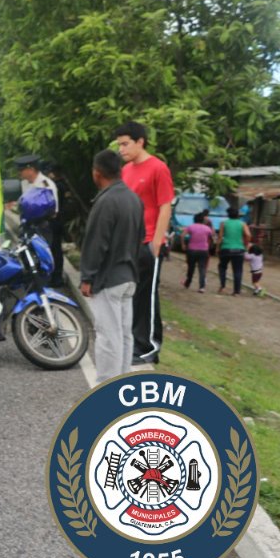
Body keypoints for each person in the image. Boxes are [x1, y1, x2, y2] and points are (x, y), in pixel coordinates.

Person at [79, 149, 145, 381]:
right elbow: (140, 237)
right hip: (129, 277)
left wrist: (87, 277)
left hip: (108, 279)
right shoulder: (134, 199)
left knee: (108, 336)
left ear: (97, 173)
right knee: (124, 334)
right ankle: (124, 381)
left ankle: (106, 386)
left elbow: (96, 243)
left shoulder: (106, 201)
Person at [116, 121, 174, 365]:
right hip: (128, 242)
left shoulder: (158, 168)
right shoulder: (126, 170)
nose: (121, 149)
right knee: (131, 295)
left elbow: (165, 206)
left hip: (149, 241)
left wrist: (157, 241)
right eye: (119, 145)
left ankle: (148, 347)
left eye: (125, 144)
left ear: (140, 141)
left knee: (147, 297)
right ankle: (133, 343)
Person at [13, 154, 59, 248]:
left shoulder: (46, 185)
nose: (19, 173)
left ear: (31, 169)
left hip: (44, 227)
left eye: (21, 170)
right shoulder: (25, 183)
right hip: (28, 227)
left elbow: (54, 210)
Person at [216, 206, 251, 295]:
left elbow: (220, 237)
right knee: (238, 270)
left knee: (222, 267)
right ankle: (236, 291)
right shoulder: (243, 224)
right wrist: (245, 244)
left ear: (228, 215)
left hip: (226, 249)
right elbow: (248, 235)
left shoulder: (223, 223)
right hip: (239, 249)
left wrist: (217, 248)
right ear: (238, 215)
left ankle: (222, 286)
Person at [181, 212, 213, 293]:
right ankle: (202, 287)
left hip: (192, 250)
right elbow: (212, 236)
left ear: (194, 219)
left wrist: (183, 244)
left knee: (191, 267)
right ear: (203, 220)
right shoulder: (207, 228)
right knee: (202, 268)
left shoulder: (191, 227)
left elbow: (182, 235)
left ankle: (187, 283)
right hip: (203, 250)